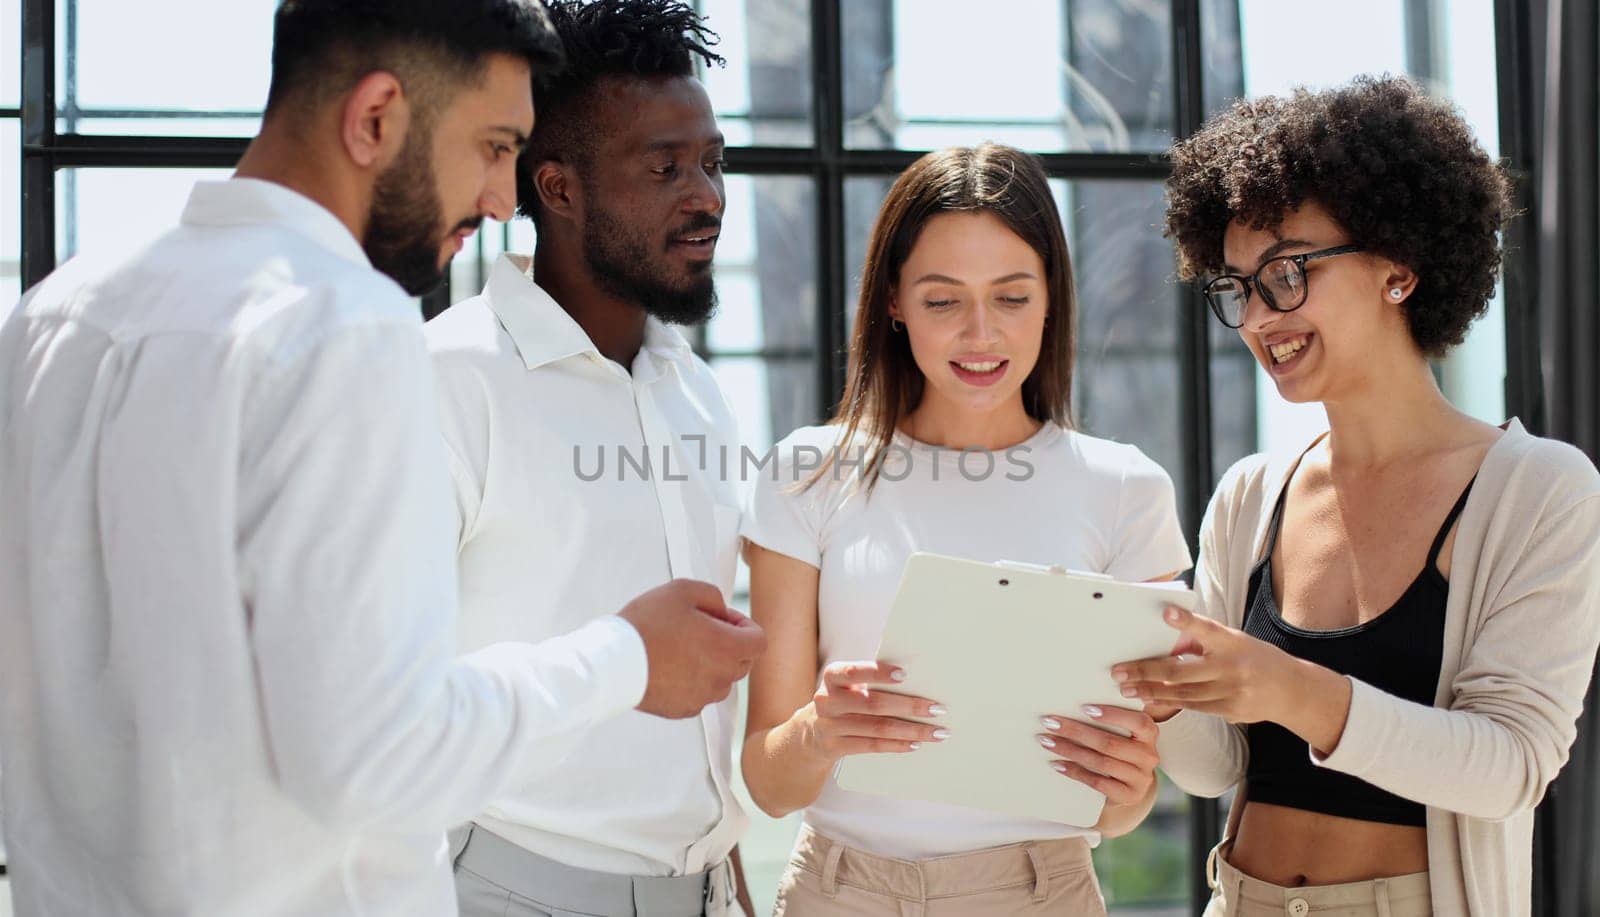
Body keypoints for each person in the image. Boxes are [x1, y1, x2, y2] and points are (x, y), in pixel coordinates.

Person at [0, 2, 762, 913]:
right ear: (375, 118)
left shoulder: (52, 315)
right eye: (489, 147)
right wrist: (627, 657)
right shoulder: (343, 328)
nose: (496, 197)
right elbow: (379, 754)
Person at [1116, 76, 1600, 916]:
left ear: (1399, 268)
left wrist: (1291, 688)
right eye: (1237, 286)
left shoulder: (1539, 489)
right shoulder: (1252, 494)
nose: (1261, 316)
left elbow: (1512, 764)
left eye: (1287, 271)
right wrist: (1157, 687)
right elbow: (1217, 769)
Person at [739, 143, 1192, 916]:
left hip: (1040, 893)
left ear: (1052, 298)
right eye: (944, 301)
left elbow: (1121, 807)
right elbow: (767, 781)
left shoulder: (1126, 489)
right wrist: (820, 729)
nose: (981, 334)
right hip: (842, 894)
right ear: (893, 301)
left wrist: (1127, 786)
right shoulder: (807, 472)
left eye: (1012, 298)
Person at [424, 2, 759, 914]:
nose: (708, 197)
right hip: (506, 886)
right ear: (559, 188)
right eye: (665, 168)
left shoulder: (699, 392)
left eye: (712, 162)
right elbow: (384, 699)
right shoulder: (448, 379)